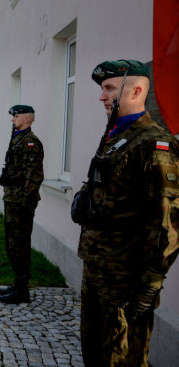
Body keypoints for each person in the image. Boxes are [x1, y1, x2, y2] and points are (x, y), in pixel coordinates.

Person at [74, 60, 179, 366]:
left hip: (125, 281)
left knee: (122, 360)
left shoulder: (154, 143)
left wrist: (150, 283)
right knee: (94, 353)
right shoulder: (116, 137)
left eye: (109, 88)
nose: (102, 96)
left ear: (135, 90)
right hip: (97, 269)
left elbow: (167, 219)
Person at [0, 105, 44, 304]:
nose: (12, 119)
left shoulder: (31, 142)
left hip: (21, 202)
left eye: (15, 116)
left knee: (20, 244)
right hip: (12, 198)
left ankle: (23, 290)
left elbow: (33, 176)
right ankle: (18, 283)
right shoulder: (18, 138)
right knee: (11, 243)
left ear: (26, 119)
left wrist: (27, 202)